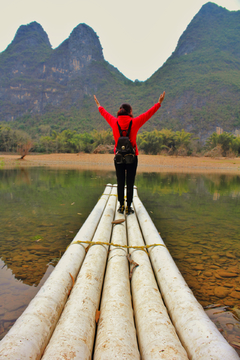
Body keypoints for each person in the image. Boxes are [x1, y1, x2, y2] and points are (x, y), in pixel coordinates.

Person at [94, 91, 165, 215]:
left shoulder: (113, 121)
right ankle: (128, 207)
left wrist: (99, 105)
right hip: (132, 157)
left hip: (119, 158)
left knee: (120, 181)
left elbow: (104, 113)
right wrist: (158, 103)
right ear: (130, 112)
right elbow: (148, 114)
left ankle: (121, 206)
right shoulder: (135, 122)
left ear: (120, 111)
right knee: (130, 182)